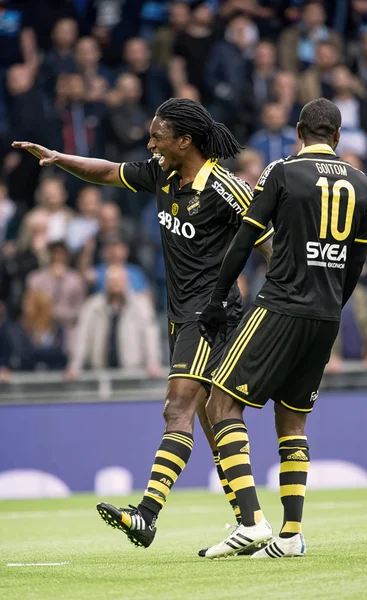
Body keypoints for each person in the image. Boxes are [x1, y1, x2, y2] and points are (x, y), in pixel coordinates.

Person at [12, 97, 273, 549]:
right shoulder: (161, 173)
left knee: (177, 409)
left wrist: (280, 305)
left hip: (213, 316)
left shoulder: (227, 188)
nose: (149, 143)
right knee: (213, 423)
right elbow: (108, 171)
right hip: (181, 316)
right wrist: (59, 160)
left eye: (157, 136)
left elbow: (272, 247)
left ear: (185, 140)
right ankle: (252, 524)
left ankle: (146, 514)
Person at [197, 98, 367, 559]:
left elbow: (245, 238)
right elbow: (356, 260)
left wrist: (216, 298)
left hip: (280, 306)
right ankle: (291, 534)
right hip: (326, 315)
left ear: (299, 131)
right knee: (292, 421)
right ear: (336, 136)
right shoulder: (360, 181)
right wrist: (333, 302)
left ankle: (252, 522)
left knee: (221, 402)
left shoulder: (282, 170)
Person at [64, 264, 162, 377]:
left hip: (133, 372)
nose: (115, 284)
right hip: (99, 372)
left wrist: (153, 363)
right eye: (112, 281)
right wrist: (74, 367)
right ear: (106, 283)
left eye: (118, 280)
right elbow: (82, 337)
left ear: (126, 282)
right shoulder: (92, 306)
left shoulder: (141, 306)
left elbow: (150, 337)